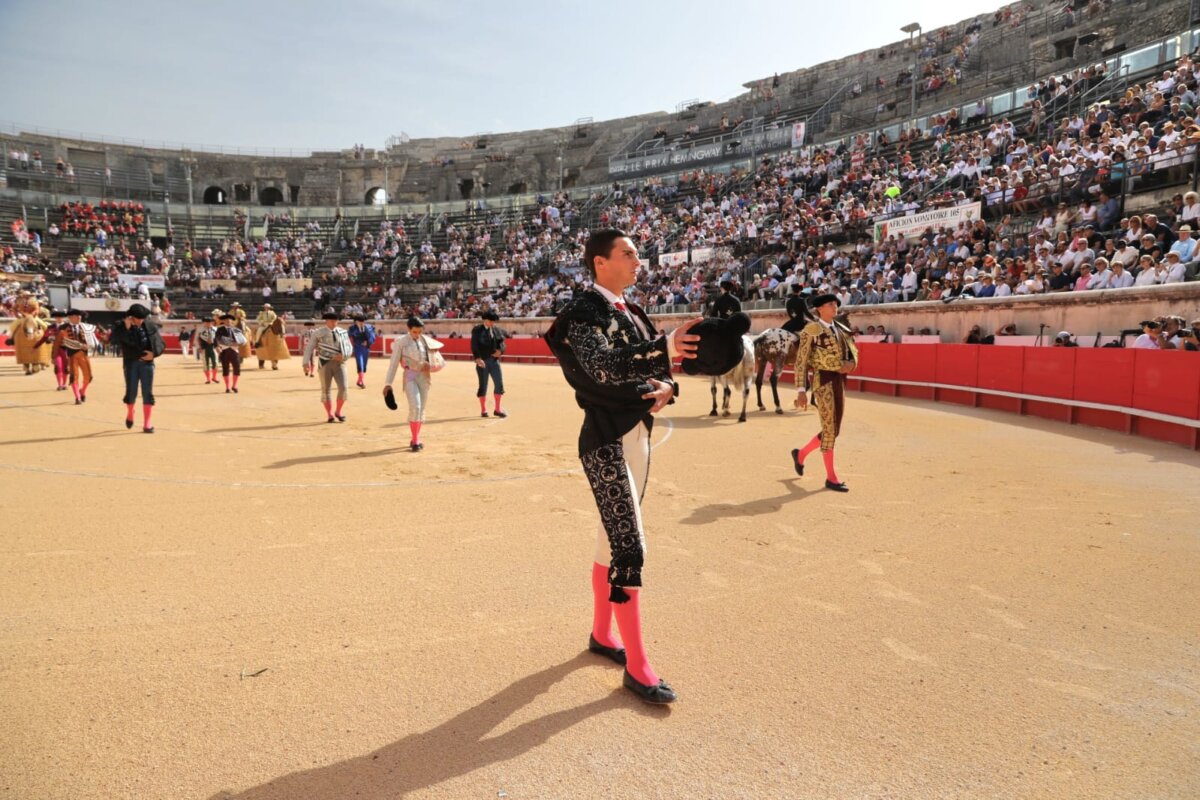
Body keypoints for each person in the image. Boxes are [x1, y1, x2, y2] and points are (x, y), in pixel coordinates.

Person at [544, 228, 702, 705]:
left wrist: (667, 386)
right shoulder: (580, 312)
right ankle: (637, 664)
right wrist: (665, 350)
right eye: (629, 254)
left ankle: (600, 633)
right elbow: (604, 368)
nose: (639, 261)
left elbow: (650, 371)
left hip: (637, 435)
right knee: (629, 544)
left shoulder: (630, 310)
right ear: (600, 262)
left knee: (608, 537)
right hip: (606, 440)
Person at [791, 293, 859, 492]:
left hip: (839, 380)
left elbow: (854, 352)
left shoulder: (841, 329)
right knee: (830, 430)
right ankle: (831, 477)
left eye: (836, 304)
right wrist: (801, 390)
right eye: (830, 304)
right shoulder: (811, 330)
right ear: (820, 308)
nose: (835, 306)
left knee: (834, 429)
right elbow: (801, 361)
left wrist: (850, 365)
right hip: (823, 382)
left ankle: (801, 454)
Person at [383, 316, 442, 450]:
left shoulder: (425, 340)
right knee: (415, 406)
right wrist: (388, 383)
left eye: (420, 332)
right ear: (409, 329)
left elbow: (435, 359)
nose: (417, 335)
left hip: (425, 377)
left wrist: (431, 365)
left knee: (421, 409)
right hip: (410, 377)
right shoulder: (401, 342)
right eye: (415, 332)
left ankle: (416, 437)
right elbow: (393, 364)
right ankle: (415, 441)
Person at [110, 303, 164, 433]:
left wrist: (154, 354)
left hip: (147, 364)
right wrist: (126, 328)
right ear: (131, 317)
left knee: (147, 392)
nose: (140, 321)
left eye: (142, 318)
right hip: (131, 364)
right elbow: (113, 341)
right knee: (131, 391)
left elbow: (161, 344)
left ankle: (147, 423)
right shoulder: (121, 326)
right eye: (137, 318)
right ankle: (130, 413)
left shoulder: (150, 326)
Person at [304, 310, 353, 422]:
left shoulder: (343, 332)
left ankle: (338, 411)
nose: (334, 322)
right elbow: (310, 347)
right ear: (326, 321)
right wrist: (305, 362)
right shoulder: (318, 332)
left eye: (336, 320)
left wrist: (345, 355)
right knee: (326, 390)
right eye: (332, 320)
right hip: (325, 363)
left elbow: (349, 347)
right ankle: (330, 414)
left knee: (344, 388)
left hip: (340, 363)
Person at [471, 310, 507, 418]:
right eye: (491, 321)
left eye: (493, 322)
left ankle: (497, 409)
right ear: (485, 320)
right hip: (482, 361)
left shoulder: (496, 330)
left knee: (499, 383)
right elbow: (474, 345)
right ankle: (483, 410)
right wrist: (477, 358)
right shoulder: (477, 330)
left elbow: (502, 343)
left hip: (494, 361)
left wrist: (500, 351)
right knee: (483, 385)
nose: (493, 323)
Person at [57, 309, 95, 403]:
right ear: (70, 318)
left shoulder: (86, 327)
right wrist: (81, 345)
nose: (79, 317)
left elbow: (92, 340)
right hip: (72, 356)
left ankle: (82, 391)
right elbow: (66, 341)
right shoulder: (63, 328)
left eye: (80, 315)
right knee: (74, 376)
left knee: (88, 377)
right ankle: (77, 397)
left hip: (84, 355)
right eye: (77, 315)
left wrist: (90, 346)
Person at [214, 313, 246, 393]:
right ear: (224, 321)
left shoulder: (237, 330)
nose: (228, 321)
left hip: (234, 350)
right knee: (225, 368)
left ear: (232, 321)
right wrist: (217, 346)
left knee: (237, 368)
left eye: (229, 319)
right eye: (226, 320)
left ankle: (234, 386)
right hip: (224, 350)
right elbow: (216, 339)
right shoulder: (219, 330)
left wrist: (240, 343)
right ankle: (227, 387)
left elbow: (243, 341)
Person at [253, 303, 290, 370]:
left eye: (267, 307)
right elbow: (259, 319)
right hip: (264, 325)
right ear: (264, 307)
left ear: (269, 308)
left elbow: (275, 318)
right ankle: (257, 341)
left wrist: (272, 322)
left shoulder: (272, 313)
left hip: (271, 324)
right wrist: (262, 322)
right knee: (259, 330)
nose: (266, 308)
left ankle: (282, 336)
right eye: (265, 307)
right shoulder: (262, 313)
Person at [347, 314, 377, 389]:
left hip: (366, 348)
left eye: (362, 321)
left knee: (364, 365)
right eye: (359, 321)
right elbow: (349, 336)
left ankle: (359, 380)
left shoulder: (369, 327)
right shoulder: (352, 328)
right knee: (360, 363)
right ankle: (361, 382)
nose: (361, 323)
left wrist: (368, 342)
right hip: (358, 348)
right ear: (356, 322)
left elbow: (373, 337)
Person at [44, 308, 71, 391]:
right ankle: (60, 384)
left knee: (65, 367)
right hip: (56, 350)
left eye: (61, 317)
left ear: (63, 318)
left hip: (66, 350)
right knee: (58, 366)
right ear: (55, 318)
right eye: (57, 317)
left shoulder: (68, 326)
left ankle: (64, 384)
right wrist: (49, 339)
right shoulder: (50, 327)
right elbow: (46, 339)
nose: (59, 319)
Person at [196, 313, 219, 384]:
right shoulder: (200, 330)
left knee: (215, 363)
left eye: (209, 322)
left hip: (213, 348)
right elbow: (197, 339)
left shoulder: (215, 329)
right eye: (207, 322)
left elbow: (218, 339)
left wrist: (218, 346)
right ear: (204, 322)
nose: (208, 323)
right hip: (204, 348)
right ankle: (208, 379)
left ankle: (214, 377)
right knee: (206, 364)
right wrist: (199, 347)